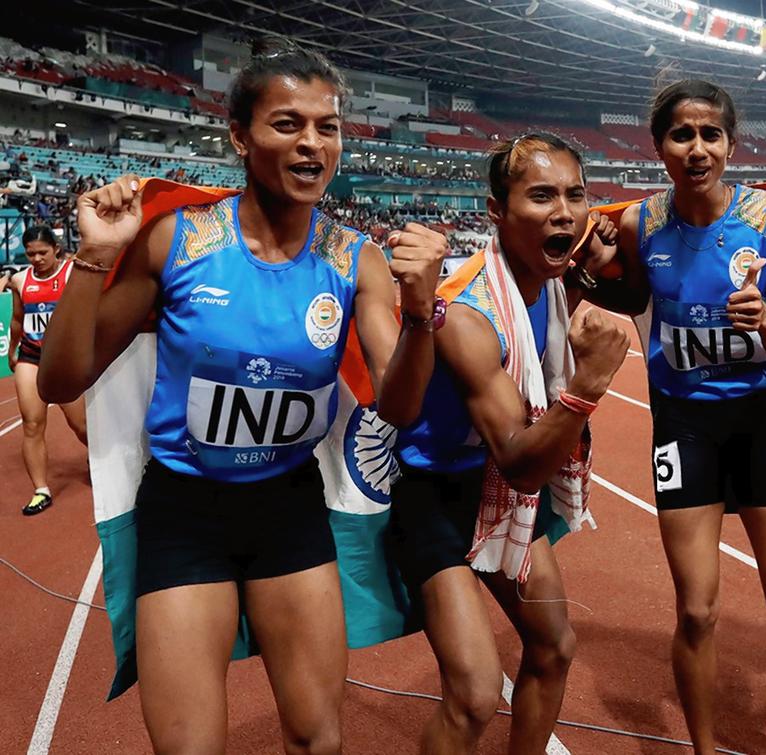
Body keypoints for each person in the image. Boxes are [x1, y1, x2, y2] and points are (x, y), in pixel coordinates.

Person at [38, 40, 446, 755]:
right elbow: (61, 380)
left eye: (329, 125)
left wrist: (418, 315)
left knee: (320, 738)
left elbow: (401, 407)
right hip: (185, 512)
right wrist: (95, 256)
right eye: (288, 123)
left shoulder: (358, 260)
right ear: (239, 135)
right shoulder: (179, 241)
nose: (313, 143)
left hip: (288, 507)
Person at [581, 79, 766, 754]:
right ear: (658, 144)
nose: (697, 148)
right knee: (696, 608)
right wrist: (598, 251)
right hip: (685, 424)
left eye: (710, 134)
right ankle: (703, 747)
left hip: (762, 420)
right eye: (681, 134)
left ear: (730, 142)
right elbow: (622, 289)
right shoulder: (640, 222)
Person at [381, 132, 629, 754]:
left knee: (553, 645)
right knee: (472, 695)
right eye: (541, 196)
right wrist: (589, 385)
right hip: (438, 501)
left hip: (492, 492)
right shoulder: (466, 315)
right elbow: (520, 464)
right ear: (496, 211)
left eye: (575, 195)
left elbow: (542, 326)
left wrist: (581, 276)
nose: (565, 212)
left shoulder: (543, 281)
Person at [6, 225, 87, 515]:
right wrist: (12, 350)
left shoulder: (70, 272)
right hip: (31, 356)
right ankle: (41, 490)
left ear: (56, 249)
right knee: (32, 424)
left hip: (63, 362)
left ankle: (100, 463)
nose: (37, 258)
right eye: (30, 254)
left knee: (81, 426)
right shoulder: (19, 280)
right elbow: (18, 318)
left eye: (42, 252)